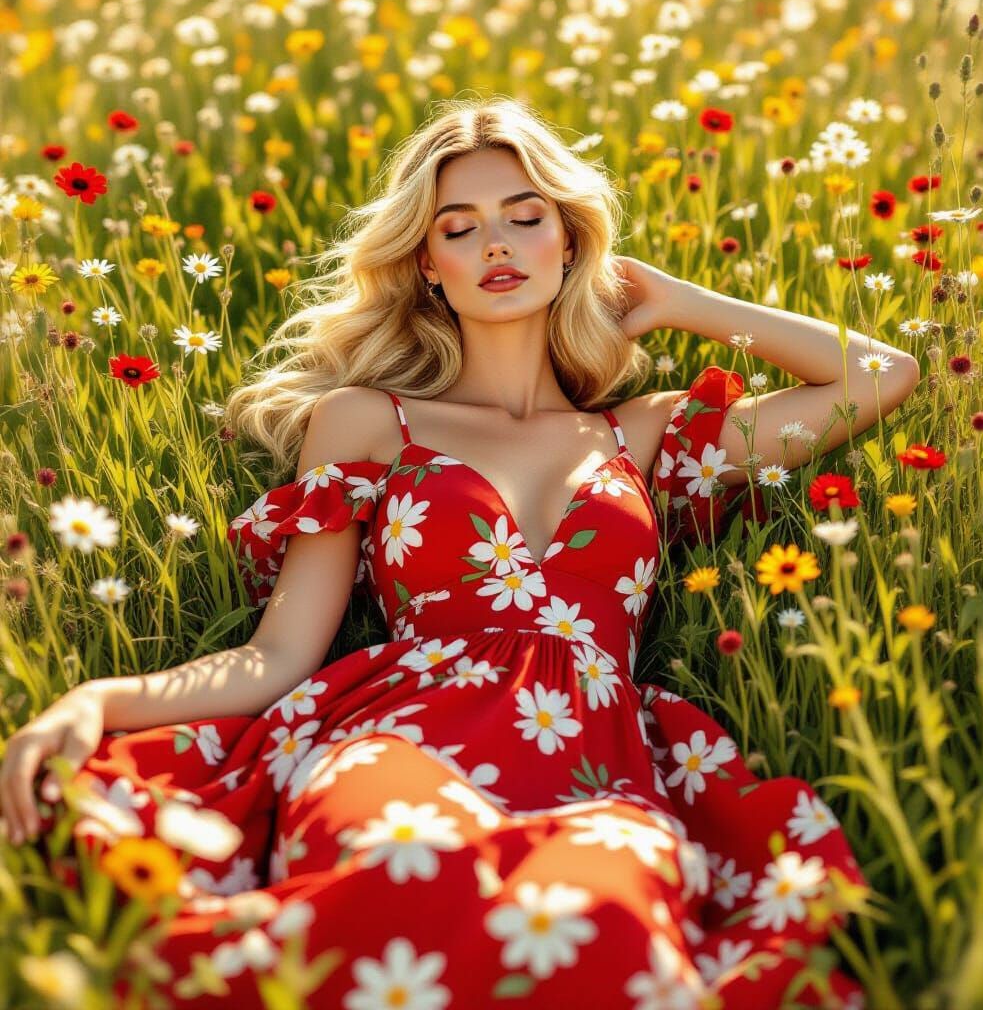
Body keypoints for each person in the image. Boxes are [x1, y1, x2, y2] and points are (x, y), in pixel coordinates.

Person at [1, 96, 918, 1008]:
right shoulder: (368, 421)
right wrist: (97, 699)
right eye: (460, 226)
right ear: (427, 264)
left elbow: (883, 376)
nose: (497, 245)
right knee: (400, 870)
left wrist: (676, 299)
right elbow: (281, 654)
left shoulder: (639, 435)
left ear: (569, 241)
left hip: (592, 756)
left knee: (607, 924)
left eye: (526, 217)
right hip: (402, 737)